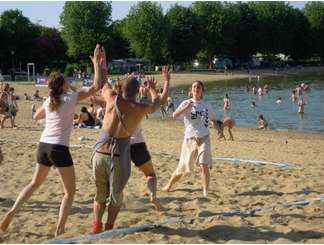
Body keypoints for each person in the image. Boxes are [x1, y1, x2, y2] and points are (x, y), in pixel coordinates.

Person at [0, 44, 102, 237]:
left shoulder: (49, 101)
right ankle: (59, 230)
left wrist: (54, 114)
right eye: (66, 81)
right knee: (69, 192)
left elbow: (35, 117)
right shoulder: (69, 98)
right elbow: (97, 86)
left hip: (43, 146)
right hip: (58, 149)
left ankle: (12, 212)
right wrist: (96, 63)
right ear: (63, 85)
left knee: (34, 183)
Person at [91, 70, 165, 234]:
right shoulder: (139, 108)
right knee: (116, 196)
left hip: (99, 152)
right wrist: (152, 89)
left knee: (100, 195)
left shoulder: (111, 97)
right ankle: (109, 227)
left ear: (120, 88)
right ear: (138, 91)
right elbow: (157, 105)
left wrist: (99, 64)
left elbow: (101, 84)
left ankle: (96, 226)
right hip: (118, 155)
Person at [162, 80, 220, 197]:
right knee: (183, 167)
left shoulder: (207, 104)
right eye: (194, 87)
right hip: (190, 138)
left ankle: (205, 191)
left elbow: (213, 119)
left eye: (198, 87)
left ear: (202, 90)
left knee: (204, 165)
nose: (196, 89)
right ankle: (169, 185)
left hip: (204, 137)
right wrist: (186, 107)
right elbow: (174, 115)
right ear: (191, 90)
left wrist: (218, 129)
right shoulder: (186, 102)